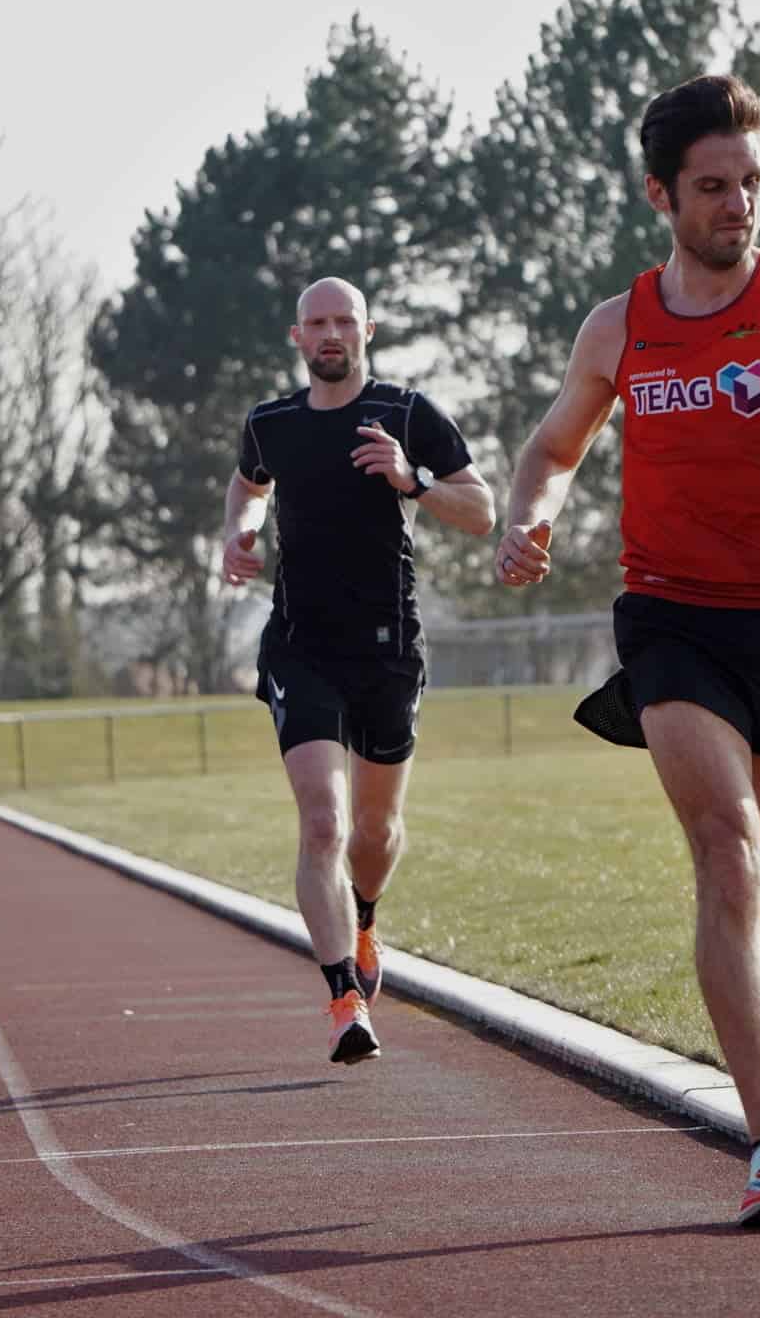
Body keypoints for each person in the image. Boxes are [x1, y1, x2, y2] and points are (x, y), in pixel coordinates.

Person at [495, 74, 760, 1230]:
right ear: (660, 194)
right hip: (672, 619)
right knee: (726, 853)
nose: (735, 203)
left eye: (747, 182)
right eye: (710, 186)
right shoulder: (618, 324)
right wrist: (527, 514)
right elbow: (551, 447)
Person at [222, 276, 495, 1065]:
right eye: (317, 322)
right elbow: (248, 483)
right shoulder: (269, 423)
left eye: (344, 320)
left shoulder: (407, 414)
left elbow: (478, 511)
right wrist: (239, 532)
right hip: (300, 645)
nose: (331, 332)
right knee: (323, 822)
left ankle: (365, 920)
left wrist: (413, 480)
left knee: (373, 832)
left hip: (387, 648)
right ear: (297, 337)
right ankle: (344, 997)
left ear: (366, 330)